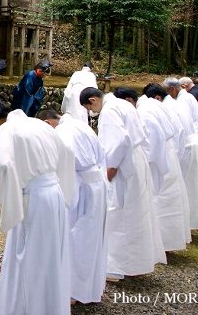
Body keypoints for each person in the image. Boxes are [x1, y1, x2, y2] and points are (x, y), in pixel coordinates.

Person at [0, 100, 75, 315]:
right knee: (51, 254)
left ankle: (25, 308)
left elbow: (3, 164)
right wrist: (62, 186)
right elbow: (67, 152)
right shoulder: (39, 124)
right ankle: (52, 306)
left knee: (28, 254)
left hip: (33, 198)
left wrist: (11, 197)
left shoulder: (7, 129)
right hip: (54, 193)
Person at [80, 87, 166, 280]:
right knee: (136, 212)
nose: (94, 113)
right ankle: (134, 262)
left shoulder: (110, 110)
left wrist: (109, 171)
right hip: (136, 160)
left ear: (93, 100)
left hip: (123, 165)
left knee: (118, 214)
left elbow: (118, 141)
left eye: (91, 108)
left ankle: (116, 266)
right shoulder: (122, 104)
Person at [37, 109, 108, 305]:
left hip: (82, 188)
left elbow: (65, 166)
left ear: (49, 123)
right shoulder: (80, 125)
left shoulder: (63, 133)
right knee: (91, 239)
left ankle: (72, 290)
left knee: (77, 239)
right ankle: (88, 287)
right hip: (96, 183)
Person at [129, 85, 192, 252]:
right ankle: (165, 240)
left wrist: (147, 161)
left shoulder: (146, 111)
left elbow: (152, 140)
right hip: (169, 153)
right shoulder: (158, 107)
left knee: (161, 198)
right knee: (168, 199)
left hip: (159, 156)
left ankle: (161, 241)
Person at [171, 77, 198, 226]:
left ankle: (190, 217)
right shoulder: (187, 97)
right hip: (194, 139)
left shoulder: (184, 100)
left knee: (191, 185)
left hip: (190, 142)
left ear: (175, 89)